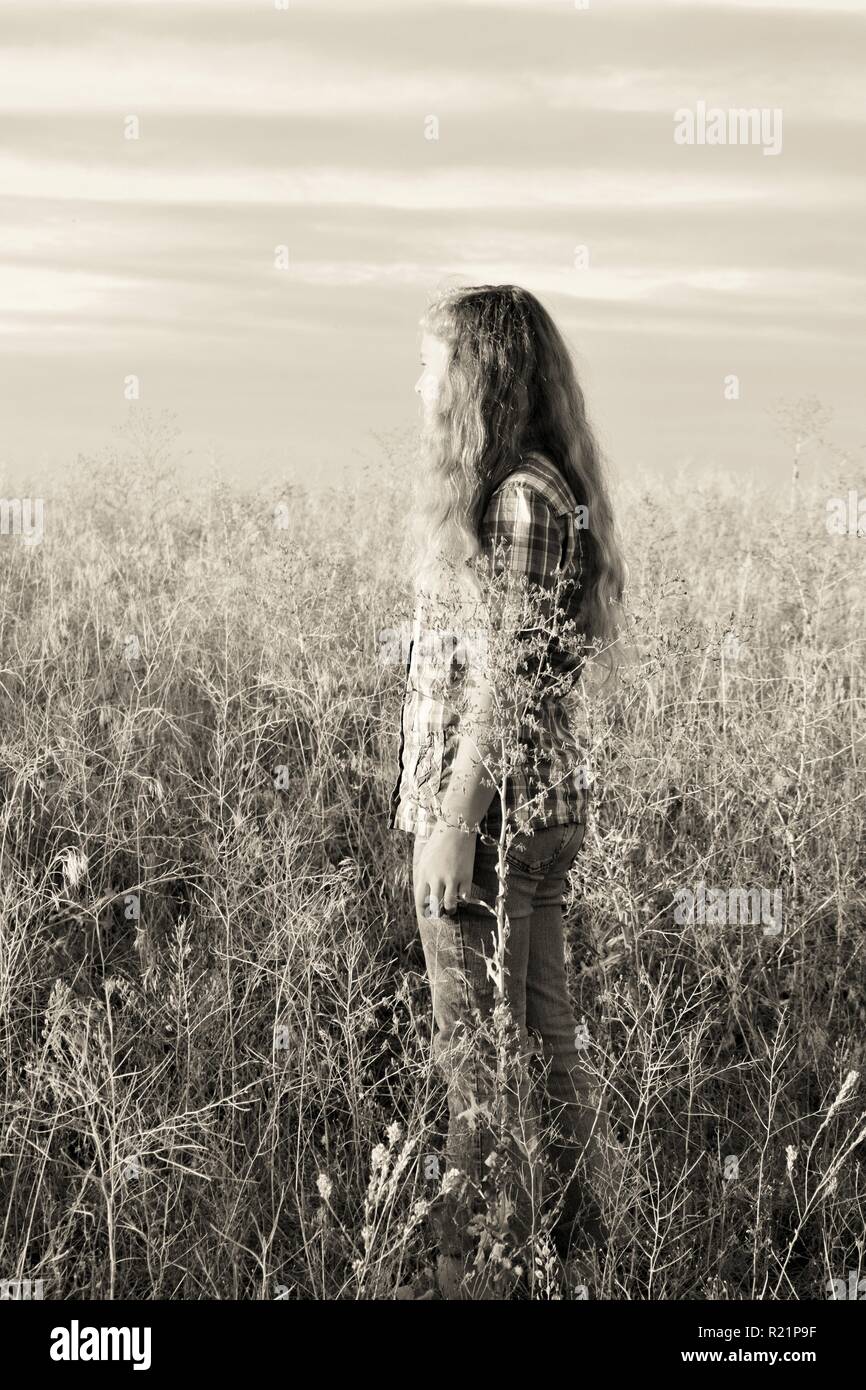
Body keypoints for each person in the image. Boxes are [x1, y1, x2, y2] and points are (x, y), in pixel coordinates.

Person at [389, 285, 626, 1298]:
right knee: (539, 1054)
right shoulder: (538, 489)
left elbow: (509, 680)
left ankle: (471, 1275)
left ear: (477, 379)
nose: (417, 382)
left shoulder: (516, 500)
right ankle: (578, 1261)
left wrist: (447, 825)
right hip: (531, 817)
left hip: (489, 826)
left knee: (476, 1072)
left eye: (432, 363)